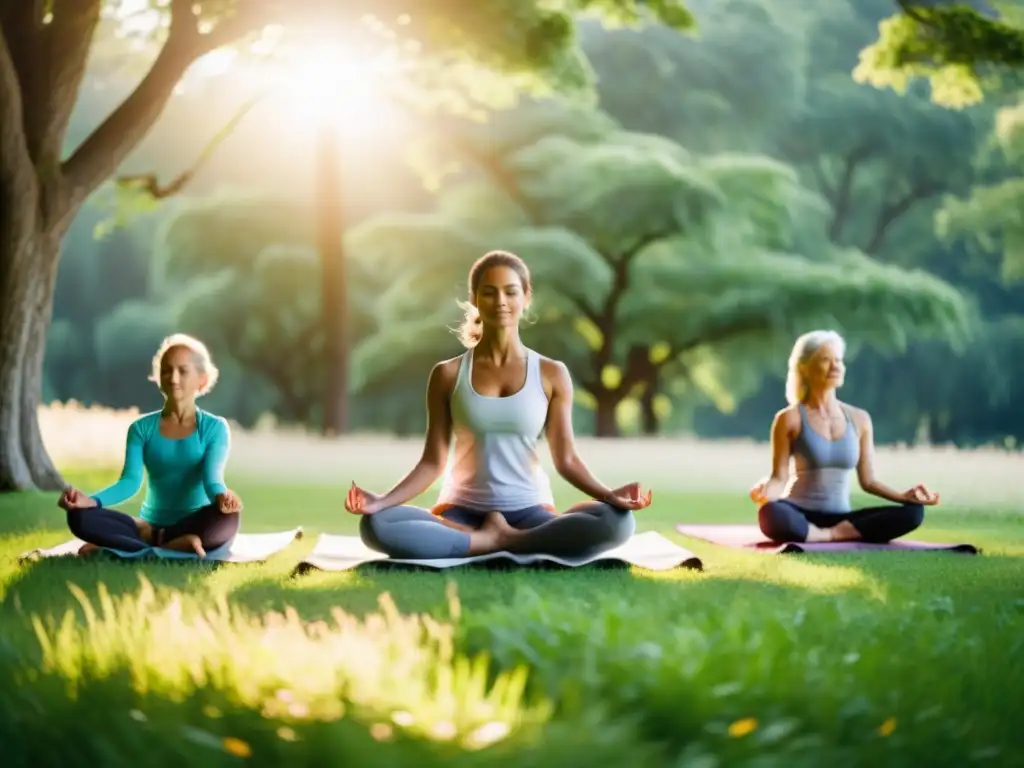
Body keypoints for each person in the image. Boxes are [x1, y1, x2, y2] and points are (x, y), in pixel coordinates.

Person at [345, 250, 652, 559]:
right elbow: (432, 462)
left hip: (530, 512)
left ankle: (502, 540)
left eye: (510, 291)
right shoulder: (448, 374)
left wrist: (609, 495)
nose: (500, 301)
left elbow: (567, 459)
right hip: (461, 512)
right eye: (489, 293)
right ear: (475, 299)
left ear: (526, 297)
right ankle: (493, 541)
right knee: (377, 525)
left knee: (618, 522)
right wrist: (381, 502)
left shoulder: (551, 374)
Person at [58, 333, 243, 558]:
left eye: (183, 371)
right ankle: (167, 543)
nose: (173, 378)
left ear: (201, 380)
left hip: (195, 522)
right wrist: (91, 501)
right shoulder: (141, 428)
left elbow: (212, 479)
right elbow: (130, 482)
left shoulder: (215, 427)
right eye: (166, 370)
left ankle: (131, 545)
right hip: (148, 525)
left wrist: (222, 497)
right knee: (78, 516)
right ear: (158, 377)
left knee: (228, 517)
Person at [749, 330, 939, 544]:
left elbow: (868, 481)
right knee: (770, 513)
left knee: (914, 513)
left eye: (838, 360)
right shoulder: (789, 419)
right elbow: (779, 478)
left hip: (843, 519)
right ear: (804, 368)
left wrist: (903, 497)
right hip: (798, 512)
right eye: (825, 360)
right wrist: (766, 490)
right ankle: (824, 534)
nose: (835, 366)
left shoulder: (860, 419)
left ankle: (828, 534)